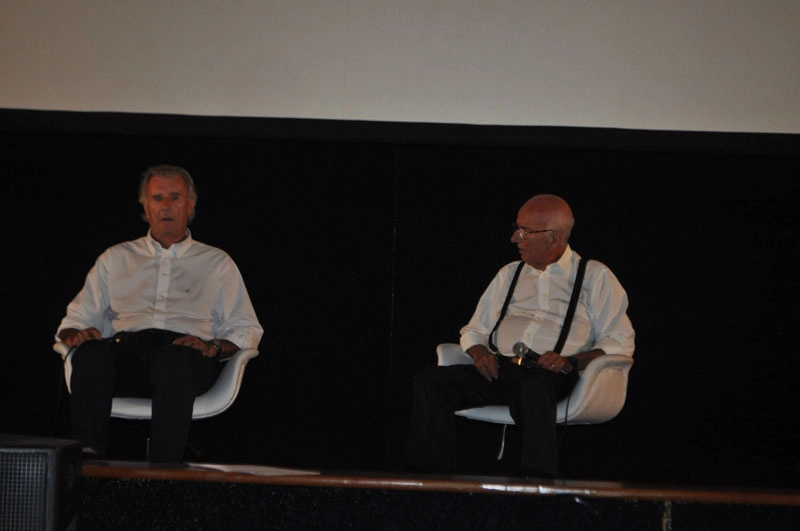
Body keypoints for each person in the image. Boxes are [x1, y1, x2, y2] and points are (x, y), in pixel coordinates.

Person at [404, 194, 634, 477]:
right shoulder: (509, 273)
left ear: (553, 237)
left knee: (534, 388)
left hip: (553, 376)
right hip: (500, 369)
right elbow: (474, 330)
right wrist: (479, 353)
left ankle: (537, 483)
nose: (515, 238)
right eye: (516, 229)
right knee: (430, 381)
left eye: (524, 232)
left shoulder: (594, 276)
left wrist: (571, 362)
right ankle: (430, 480)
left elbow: (619, 341)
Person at [55, 164, 263, 463]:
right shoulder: (115, 258)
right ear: (145, 206)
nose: (166, 206)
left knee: (173, 362)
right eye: (157, 198)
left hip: (186, 357)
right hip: (127, 357)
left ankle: (164, 473)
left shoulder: (217, 262)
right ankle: (86, 466)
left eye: (175, 197)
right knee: (90, 354)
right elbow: (74, 320)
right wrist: (75, 335)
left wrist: (213, 346)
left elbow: (245, 328)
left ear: (190, 205)